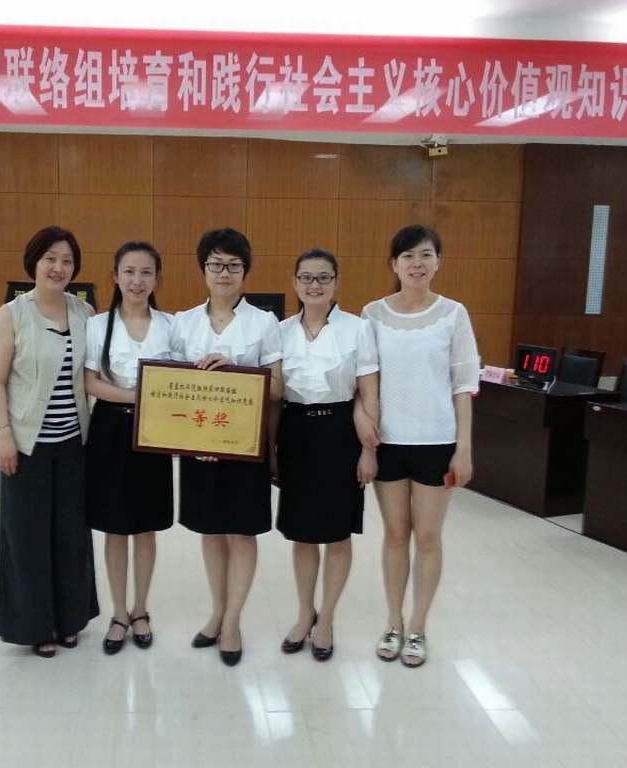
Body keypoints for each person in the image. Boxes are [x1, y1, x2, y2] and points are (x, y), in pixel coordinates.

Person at [361, 224, 479, 668]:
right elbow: (366, 381)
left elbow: (463, 386)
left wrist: (463, 448)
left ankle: (418, 627)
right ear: (393, 264)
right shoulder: (372, 314)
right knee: (395, 534)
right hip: (388, 441)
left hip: (437, 441)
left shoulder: (453, 314)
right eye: (408, 256)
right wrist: (367, 438)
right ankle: (393, 622)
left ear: (438, 262)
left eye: (426, 255)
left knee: (427, 538)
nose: (417, 264)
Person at [169, 228, 283, 666]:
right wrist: (187, 441)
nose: (224, 273)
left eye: (234, 265)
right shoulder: (183, 322)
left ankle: (233, 620)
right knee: (211, 529)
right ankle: (216, 613)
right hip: (199, 444)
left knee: (241, 531)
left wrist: (237, 371)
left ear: (245, 272)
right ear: (203, 269)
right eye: (215, 264)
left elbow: (279, 388)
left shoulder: (264, 322)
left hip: (243, 446)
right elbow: (170, 386)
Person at [0, 225, 99, 658]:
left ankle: (70, 619)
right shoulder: (12, 314)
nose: (58, 267)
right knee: (27, 537)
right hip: (27, 446)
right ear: (33, 262)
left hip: (74, 444)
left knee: (71, 535)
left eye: (67, 260)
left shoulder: (85, 313)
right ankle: (35, 626)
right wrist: (2, 435)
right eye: (50, 258)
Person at [276, 248, 378, 662]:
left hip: (342, 433)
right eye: (306, 277)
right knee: (301, 532)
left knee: (337, 532)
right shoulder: (280, 331)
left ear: (336, 283)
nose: (314, 285)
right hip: (296, 431)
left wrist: (369, 451)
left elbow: (368, 392)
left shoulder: (358, 329)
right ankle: (305, 613)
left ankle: (327, 619)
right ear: (295, 283)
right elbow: (272, 391)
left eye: (323, 277)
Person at [84, 241, 174, 655]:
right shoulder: (97, 324)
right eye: (129, 271)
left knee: (146, 524)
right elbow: (91, 382)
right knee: (116, 525)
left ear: (157, 279)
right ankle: (118, 613)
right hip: (110, 429)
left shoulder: (170, 325)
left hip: (154, 432)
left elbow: (182, 381)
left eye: (146, 272)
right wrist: (138, 397)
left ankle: (141, 610)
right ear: (115, 276)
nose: (137, 280)